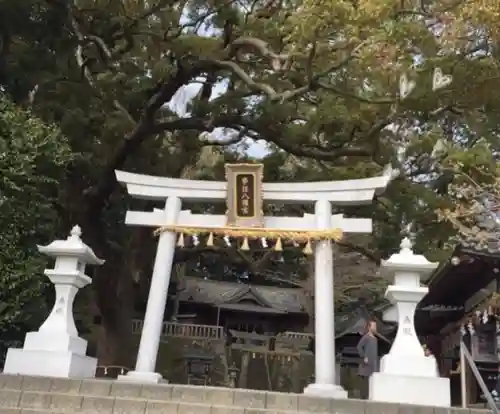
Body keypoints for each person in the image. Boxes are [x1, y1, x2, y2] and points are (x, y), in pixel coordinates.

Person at [357, 319, 379, 400]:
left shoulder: (375, 339)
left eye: (375, 326)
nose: (375, 328)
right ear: (369, 327)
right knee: (364, 384)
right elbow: (359, 347)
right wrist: (364, 356)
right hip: (366, 364)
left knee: (371, 383)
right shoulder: (366, 337)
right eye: (374, 326)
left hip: (373, 365)